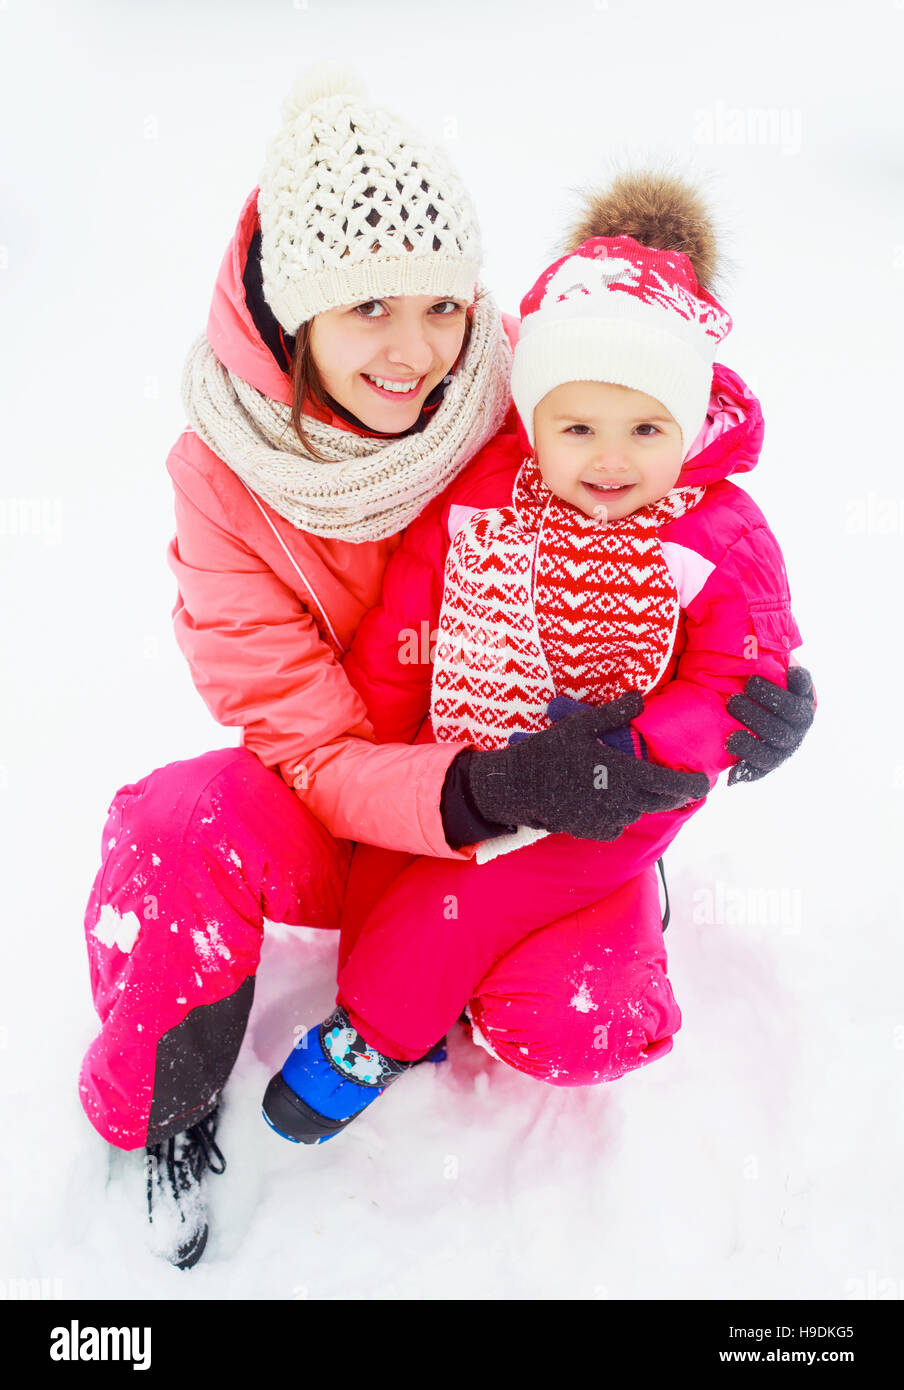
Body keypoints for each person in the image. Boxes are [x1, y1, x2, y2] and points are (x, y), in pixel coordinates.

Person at [78, 66, 813, 1270]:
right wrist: (473, 791)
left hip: (559, 789)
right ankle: (162, 1111)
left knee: (585, 1020)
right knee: (177, 832)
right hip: (352, 798)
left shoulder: (517, 390)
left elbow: (667, 475)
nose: (416, 352)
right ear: (290, 309)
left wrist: (761, 695)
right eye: (368, 307)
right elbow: (308, 748)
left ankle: (511, 940)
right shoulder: (220, 480)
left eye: (441, 303)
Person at [261, 171, 813, 1148]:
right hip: (472, 749)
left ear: (686, 425)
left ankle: (377, 1034)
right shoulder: (488, 490)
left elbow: (738, 677)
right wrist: (383, 741)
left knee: (472, 896)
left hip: (626, 782)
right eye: (577, 428)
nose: (609, 460)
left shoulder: (715, 531)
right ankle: (421, 987)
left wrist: (635, 747)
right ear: (533, 421)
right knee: (404, 872)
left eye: (645, 430)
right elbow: (409, 622)